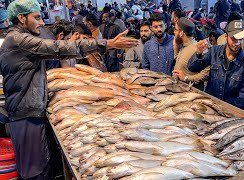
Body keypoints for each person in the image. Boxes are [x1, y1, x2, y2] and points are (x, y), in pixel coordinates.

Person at [0, 0, 138, 179]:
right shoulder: (18, 39)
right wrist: (107, 43)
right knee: (35, 172)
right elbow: (58, 48)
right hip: (25, 114)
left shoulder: (17, 38)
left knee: (39, 167)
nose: (42, 23)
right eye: (37, 18)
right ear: (21, 18)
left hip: (27, 111)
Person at [188, 20, 244, 110]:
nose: (237, 43)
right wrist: (198, 53)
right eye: (233, 38)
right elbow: (192, 67)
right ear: (226, 36)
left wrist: (224, 110)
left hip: (229, 112)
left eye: (240, 39)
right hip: (209, 106)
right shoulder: (214, 51)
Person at [172, 17, 209, 90]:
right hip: (180, 90)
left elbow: (207, 73)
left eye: (176, 30)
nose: (174, 32)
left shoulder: (198, 48)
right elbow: (182, 63)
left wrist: (187, 78)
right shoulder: (184, 46)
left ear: (181, 33)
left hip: (190, 93)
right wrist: (176, 47)